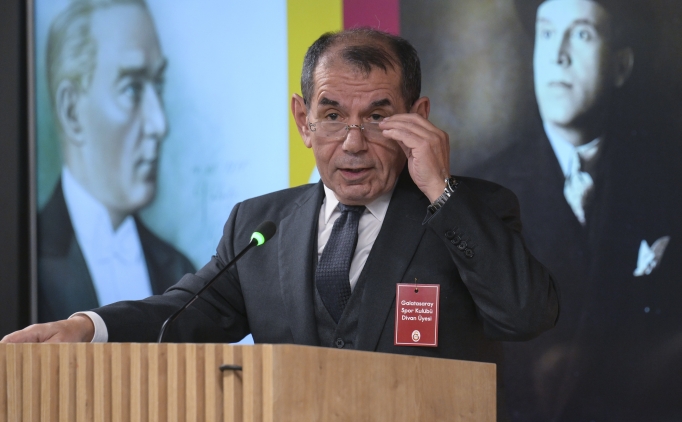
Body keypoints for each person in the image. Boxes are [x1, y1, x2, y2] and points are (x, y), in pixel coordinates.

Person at [8, 28, 559, 420]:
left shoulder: (471, 208)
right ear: (303, 119)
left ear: (417, 118)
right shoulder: (259, 223)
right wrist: (89, 327)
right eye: (332, 115)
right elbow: (182, 314)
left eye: (377, 117)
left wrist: (442, 190)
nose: (353, 143)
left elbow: (526, 314)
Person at [468, 0, 682, 420]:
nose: (558, 55)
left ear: (620, 66)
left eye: (582, 34)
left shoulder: (667, 182)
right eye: (547, 33)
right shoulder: (476, 195)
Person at [38, 0, 195, 323]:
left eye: (158, 85)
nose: (159, 124)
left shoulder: (179, 271)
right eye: (132, 89)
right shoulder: (24, 256)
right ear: (71, 111)